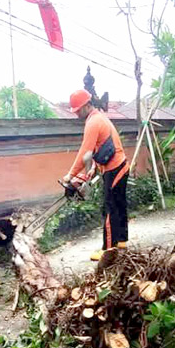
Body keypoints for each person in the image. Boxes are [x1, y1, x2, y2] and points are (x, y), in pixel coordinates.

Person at [63, 89, 128, 261]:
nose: (76, 114)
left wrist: (71, 175)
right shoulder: (99, 118)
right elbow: (101, 148)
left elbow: (86, 151)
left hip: (114, 167)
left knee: (109, 208)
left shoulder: (93, 123)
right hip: (118, 164)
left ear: (86, 106)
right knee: (119, 204)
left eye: (77, 110)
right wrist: (92, 169)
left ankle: (107, 250)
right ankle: (121, 241)